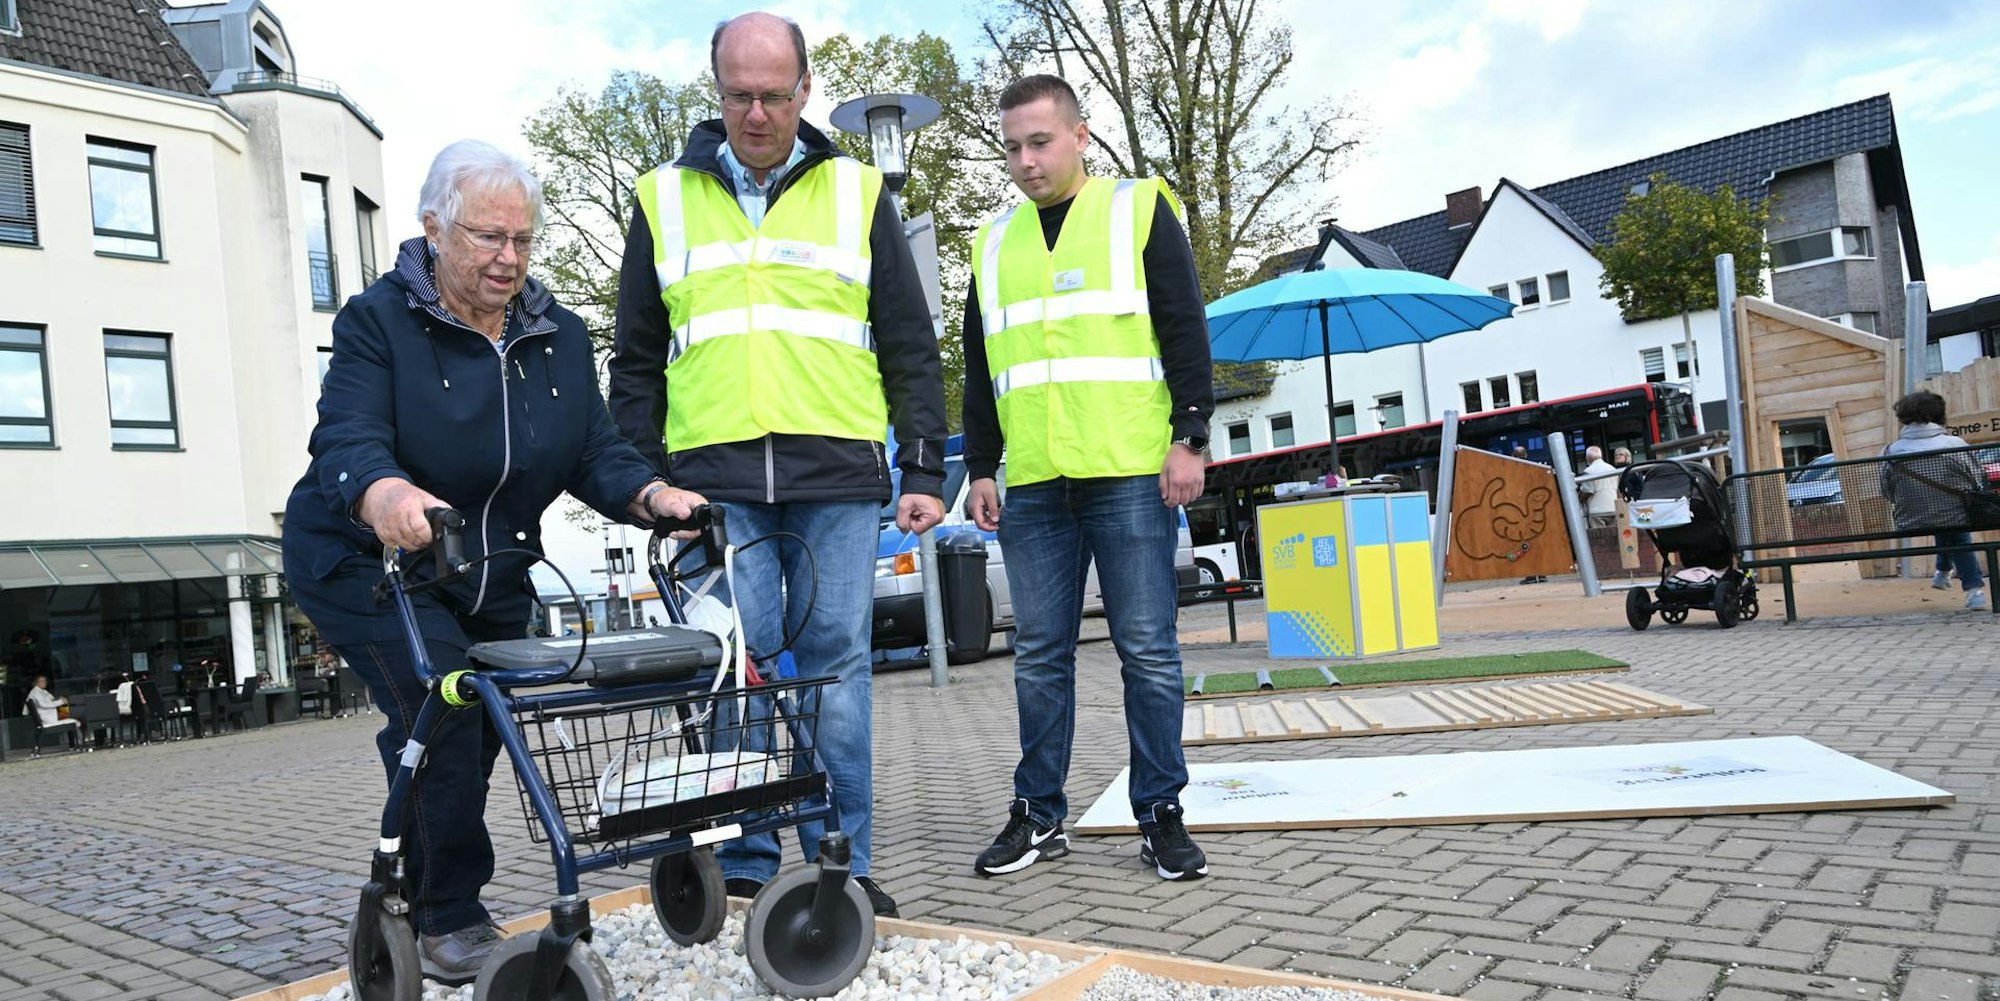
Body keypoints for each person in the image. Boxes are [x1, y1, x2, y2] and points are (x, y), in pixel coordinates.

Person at [282, 140, 696, 984]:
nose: (508, 257)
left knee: (486, 725)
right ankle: (444, 915)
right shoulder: (378, 321)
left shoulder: (559, 337)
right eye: (487, 237)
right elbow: (346, 437)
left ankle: (423, 879)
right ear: (433, 228)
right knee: (446, 708)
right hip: (372, 560)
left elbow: (595, 453)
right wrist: (387, 494)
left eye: (522, 239)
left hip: (492, 566)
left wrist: (656, 497)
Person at [607, 12, 947, 919]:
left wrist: (922, 468)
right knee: (733, 666)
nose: (757, 113)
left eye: (774, 94)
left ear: (804, 89)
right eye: (738, 94)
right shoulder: (659, 199)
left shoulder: (858, 191)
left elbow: (911, 344)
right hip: (710, 484)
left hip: (835, 473)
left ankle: (842, 859)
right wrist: (642, 481)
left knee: (836, 667)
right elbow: (634, 358)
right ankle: (751, 858)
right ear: (716, 92)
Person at [961, 74, 1215, 882]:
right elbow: (978, 364)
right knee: (1038, 655)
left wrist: (1191, 436)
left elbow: (1183, 325)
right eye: (1012, 147)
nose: (1026, 161)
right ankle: (1039, 814)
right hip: (1034, 482)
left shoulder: (1138, 208)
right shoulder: (992, 242)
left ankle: (1160, 813)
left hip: (1131, 470)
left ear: (1080, 136)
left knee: (1146, 650)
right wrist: (979, 464)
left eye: (1040, 142)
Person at [1879, 391, 1987, 611]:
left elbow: (1886, 491)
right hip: (1954, 516)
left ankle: (1943, 572)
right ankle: (1974, 591)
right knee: (1955, 527)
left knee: (1942, 516)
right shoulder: (1954, 443)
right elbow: (1977, 481)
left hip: (1909, 519)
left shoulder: (1890, 451)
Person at [24, 675, 82, 750]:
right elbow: (44, 705)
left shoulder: (43, 691)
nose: (44, 682)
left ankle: (74, 743)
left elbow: (52, 700)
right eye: (41, 681)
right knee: (74, 717)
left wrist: (60, 700)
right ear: (36, 682)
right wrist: (61, 701)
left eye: (45, 681)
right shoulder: (35, 692)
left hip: (52, 714)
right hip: (48, 718)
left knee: (70, 714)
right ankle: (78, 742)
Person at [1579, 445, 1620, 528]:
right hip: (1613, 508)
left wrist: (1579, 498)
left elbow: (1588, 491)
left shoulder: (1589, 471)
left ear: (1587, 458)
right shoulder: (1612, 469)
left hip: (1597, 511)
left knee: (1600, 538)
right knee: (1613, 535)